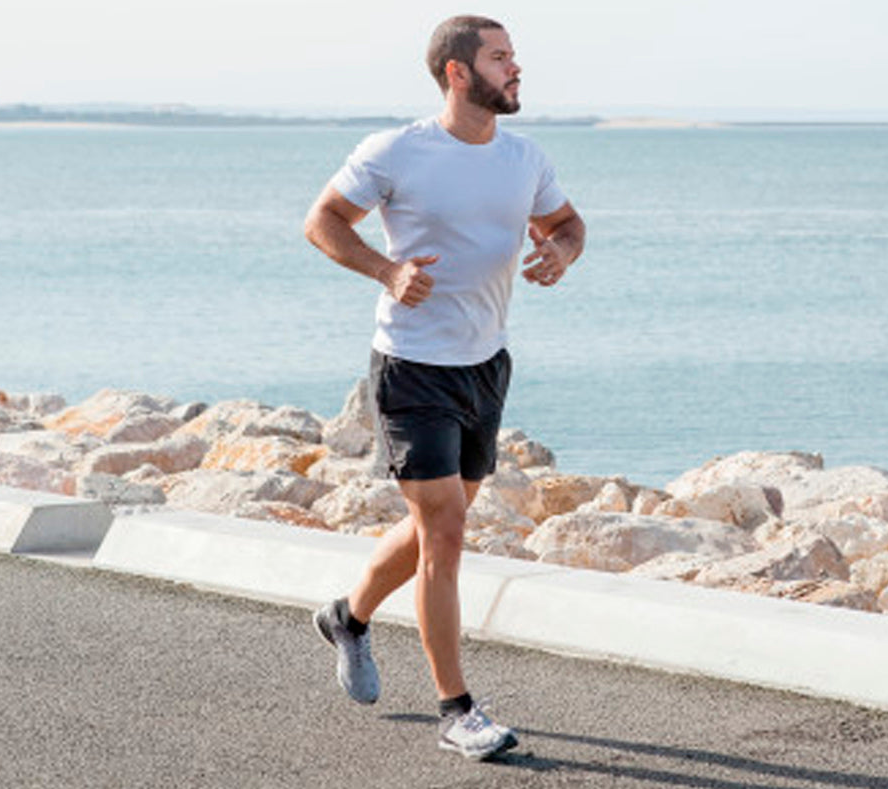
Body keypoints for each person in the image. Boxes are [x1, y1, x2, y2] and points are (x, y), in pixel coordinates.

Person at [301, 14, 585, 762]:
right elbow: (322, 221)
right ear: (458, 73)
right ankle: (457, 709)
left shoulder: (524, 157)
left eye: (515, 57)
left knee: (440, 524)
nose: (515, 70)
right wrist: (387, 271)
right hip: (411, 365)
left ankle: (348, 615)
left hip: (485, 364)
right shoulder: (397, 150)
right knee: (448, 531)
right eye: (500, 59)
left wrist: (559, 251)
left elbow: (567, 222)